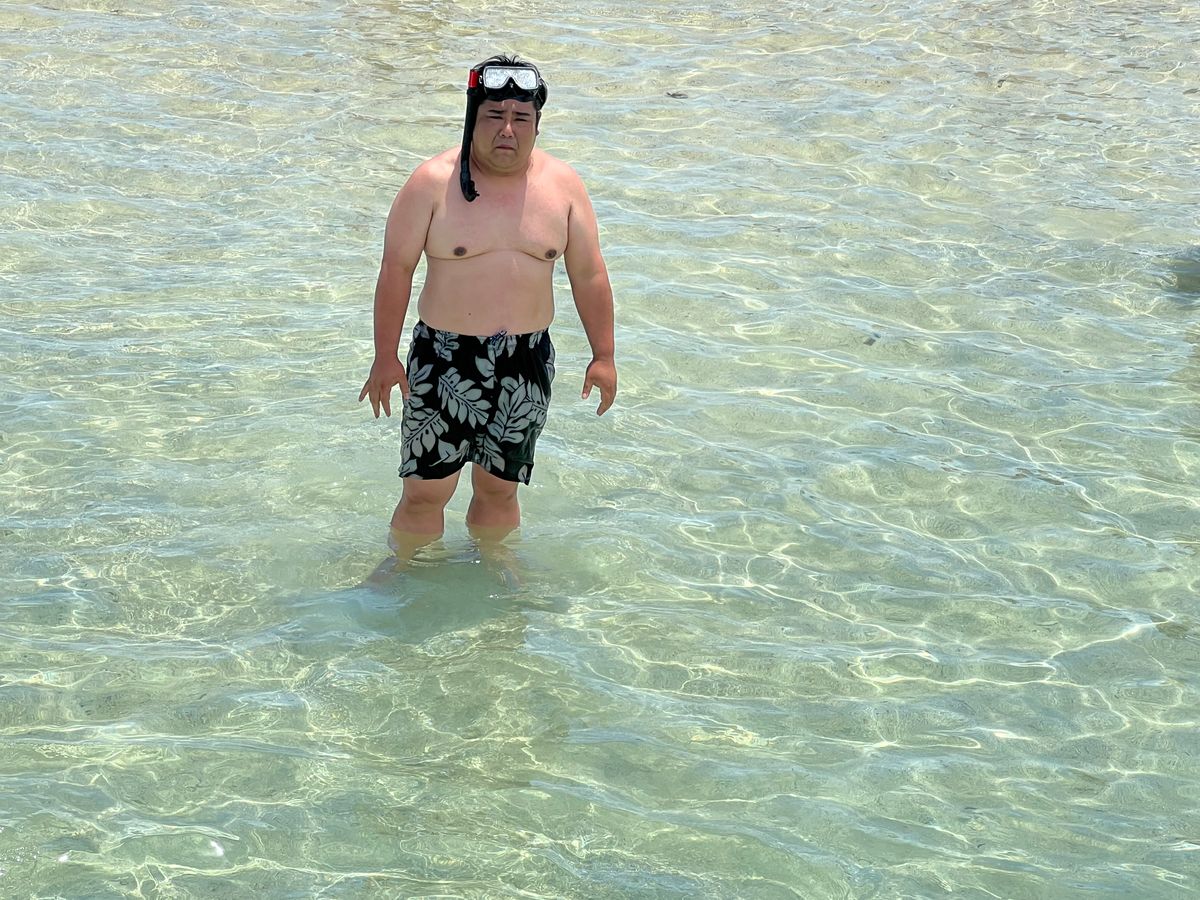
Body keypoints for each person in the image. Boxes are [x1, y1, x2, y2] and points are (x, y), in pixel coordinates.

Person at [358, 55, 616, 555]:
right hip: (444, 357)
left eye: (521, 118)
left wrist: (603, 356)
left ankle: (494, 565)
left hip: (526, 358)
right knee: (425, 491)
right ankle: (407, 568)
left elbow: (589, 274)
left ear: (537, 125)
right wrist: (384, 356)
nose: (507, 130)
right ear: (472, 120)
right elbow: (395, 270)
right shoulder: (431, 183)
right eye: (494, 115)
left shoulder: (563, 187)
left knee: (501, 488)